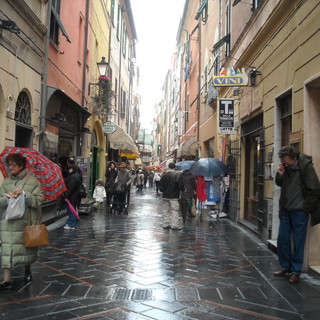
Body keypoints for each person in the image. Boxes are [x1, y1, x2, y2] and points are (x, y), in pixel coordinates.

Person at [274, 146, 320, 284]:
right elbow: (279, 183)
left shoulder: (305, 166)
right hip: (287, 210)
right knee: (282, 238)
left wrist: (306, 207)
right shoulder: (286, 168)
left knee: (299, 242)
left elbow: (315, 189)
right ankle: (286, 266)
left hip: (300, 211)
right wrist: (280, 175)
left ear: (293, 157)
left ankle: (296, 271)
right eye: (282, 160)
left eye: (286, 160)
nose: (284, 163)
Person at [0, 153, 45, 289]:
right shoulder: (6, 181)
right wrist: (6, 198)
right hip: (9, 222)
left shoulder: (33, 181)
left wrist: (25, 194)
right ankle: (6, 279)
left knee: (26, 248)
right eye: (9, 165)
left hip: (25, 222)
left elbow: (38, 201)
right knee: (7, 249)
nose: (10, 168)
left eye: (13, 165)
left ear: (20, 166)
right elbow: (0, 200)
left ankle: (27, 269)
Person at [159, 162, 184, 230]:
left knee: (166, 210)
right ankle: (174, 225)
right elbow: (180, 185)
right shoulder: (177, 175)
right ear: (174, 167)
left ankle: (166, 224)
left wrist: (163, 191)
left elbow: (160, 186)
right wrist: (183, 190)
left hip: (165, 196)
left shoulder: (164, 175)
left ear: (169, 167)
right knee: (175, 210)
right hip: (174, 196)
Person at [64, 164, 81, 230]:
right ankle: (72, 223)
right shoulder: (76, 176)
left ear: (72, 169)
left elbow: (70, 188)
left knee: (71, 210)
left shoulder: (74, 177)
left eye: (70, 169)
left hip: (72, 197)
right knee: (73, 209)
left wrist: (66, 196)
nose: (69, 170)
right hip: (75, 196)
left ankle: (71, 224)